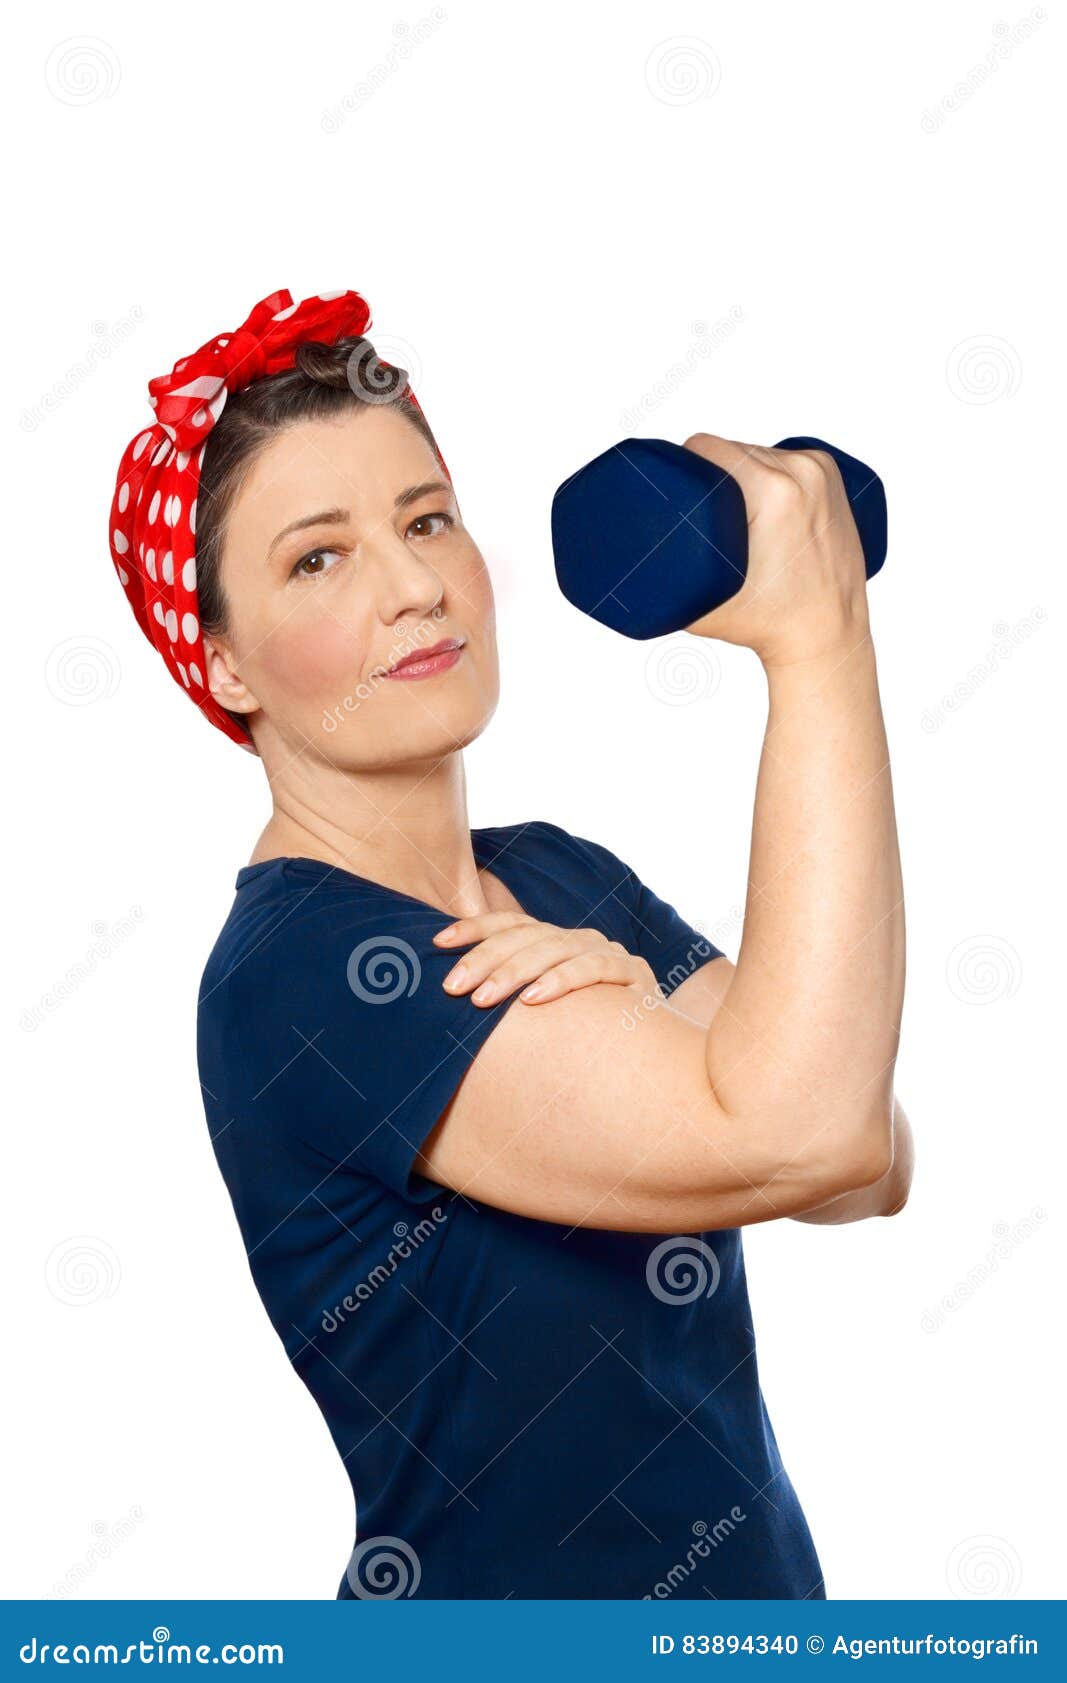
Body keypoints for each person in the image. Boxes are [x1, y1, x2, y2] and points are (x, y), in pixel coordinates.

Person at [109, 287, 913, 1600]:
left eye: (426, 518)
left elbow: (862, 1154)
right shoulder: (305, 977)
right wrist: (818, 639)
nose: (418, 583)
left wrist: (660, 1012)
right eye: (321, 557)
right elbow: (802, 1125)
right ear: (228, 664)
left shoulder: (554, 875)